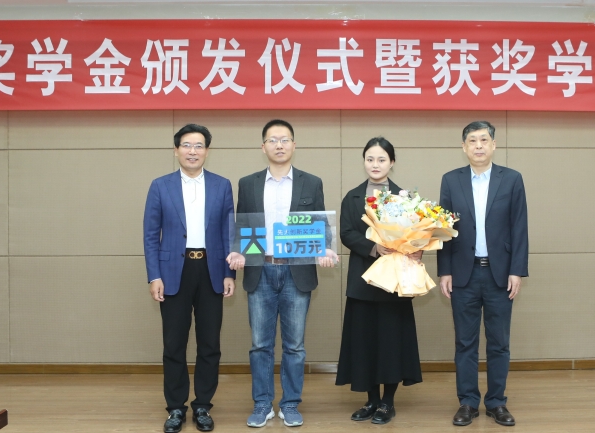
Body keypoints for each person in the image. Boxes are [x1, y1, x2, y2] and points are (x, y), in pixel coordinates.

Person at [226, 119, 338, 428]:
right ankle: (262, 403)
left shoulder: (311, 182)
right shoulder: (248, 183)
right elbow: (242, 225)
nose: (279, 145)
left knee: (295, 346)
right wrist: (237, 251)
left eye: (285, 139)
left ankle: (290, 404)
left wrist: (325, 248)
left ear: (294, 145)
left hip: (296, 270)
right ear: (263, 146)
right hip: (260, 269)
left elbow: (320, 224)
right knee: (260, 345)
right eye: (273, 140)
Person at [143, 124, 236, 433]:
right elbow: (150, 235)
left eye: (198, 146)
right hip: (172, 272)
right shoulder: (160, 186)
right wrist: (154, 275)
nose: (192, 151)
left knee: (210, 343)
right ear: (176, 150)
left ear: (207, 151)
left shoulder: (222, 185)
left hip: (212, 270)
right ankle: (175, 407)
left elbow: (229, 232)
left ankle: (203, 405)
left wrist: (229, 273)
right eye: (186, 145)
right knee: (174, 344)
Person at [437, 121, 528, 427]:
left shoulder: (512, 179)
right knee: (465, 342)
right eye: (472, 141)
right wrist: (444, 271)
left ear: (493, 145)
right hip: (463, 274)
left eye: (484, 140)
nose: (478, 145)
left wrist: (517, 270)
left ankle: (497, 402)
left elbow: (519, 227)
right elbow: (443, 229)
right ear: (464, 147)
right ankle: (467, 402)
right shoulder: (451, 180)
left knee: (499, 342)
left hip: (500, 275)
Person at [335, 137, 423, 425]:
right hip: (363, 280)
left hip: (394, 282)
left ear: (392, 162)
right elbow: (346, 233)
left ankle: (388, 402)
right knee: (365, 343)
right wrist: (374, 247)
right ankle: (371, 400)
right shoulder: (352, 197)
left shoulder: (406, 198)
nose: (375, 164)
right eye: (370, 159)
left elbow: (417, 233)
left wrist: (416, 247)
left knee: (391, 342)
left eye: (382, 159)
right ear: (364, 162)